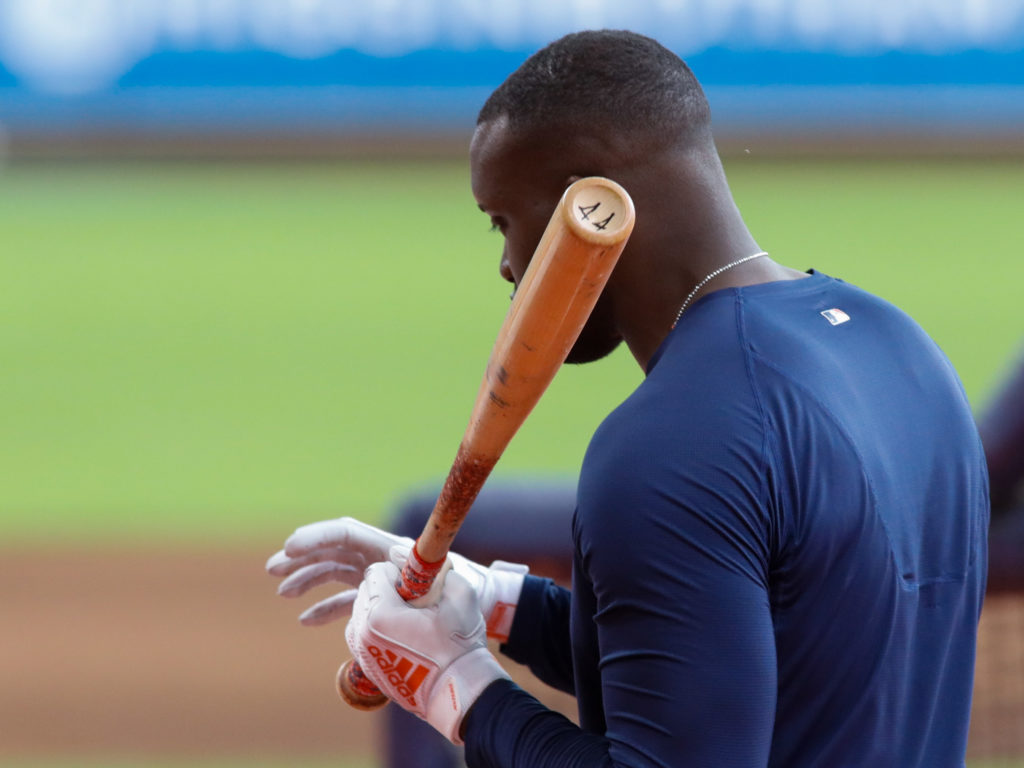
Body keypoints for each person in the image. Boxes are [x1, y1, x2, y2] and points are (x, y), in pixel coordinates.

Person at [268, 30, 989, 767]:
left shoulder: (671, 443)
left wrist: (458, 687)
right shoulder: (902, 347)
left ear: (593, 205)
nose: (507, 265)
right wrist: (492, 600)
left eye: (502, 221)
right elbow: (746, 661)